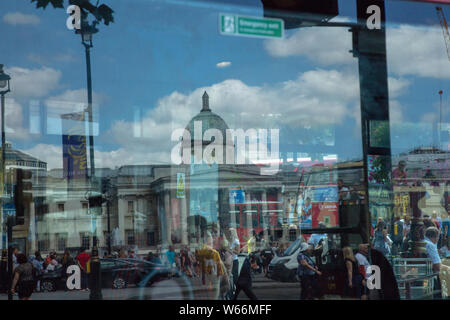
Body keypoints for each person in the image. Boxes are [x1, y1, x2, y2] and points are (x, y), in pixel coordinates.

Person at [196, 232, 224, 299]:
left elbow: (199, 263)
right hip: (214, 274)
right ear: (209, 241)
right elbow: (219, 267)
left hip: (204, 274)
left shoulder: (200, 251)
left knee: (206, 293)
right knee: (215, 293)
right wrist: (221, 274)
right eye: (211, 241)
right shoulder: (215, 253)